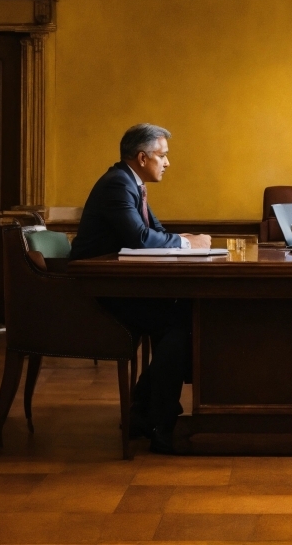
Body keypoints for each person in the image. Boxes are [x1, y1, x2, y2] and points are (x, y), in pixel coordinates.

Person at [70, 123, 210, 453]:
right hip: (100, 292)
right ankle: (159, 423)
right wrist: (187, 245)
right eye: (163, 156)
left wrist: (185, 240)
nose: (167, 163)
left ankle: (145, 413)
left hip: (120, 286)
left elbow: (155, 231)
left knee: (186, 316)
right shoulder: (118, 185)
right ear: (142, 157)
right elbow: (141, 239)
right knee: (182, 324)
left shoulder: (131, 184)